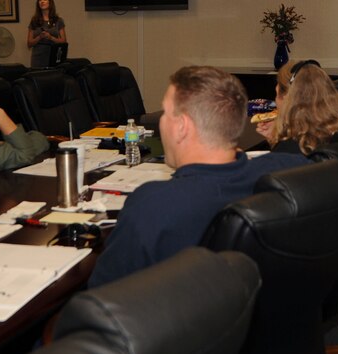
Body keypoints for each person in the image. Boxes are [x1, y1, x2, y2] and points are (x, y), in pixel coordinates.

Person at [88, 66, 309, 288]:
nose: (161, 122)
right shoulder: (291, 171)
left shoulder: (152, 205)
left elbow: (99, 302)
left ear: (182, 126)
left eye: (165, 113)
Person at [256, 59, 338, 154]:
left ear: (288, 100)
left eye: (277, 95)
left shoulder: (292, 148)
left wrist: (277, 142)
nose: (275, 101)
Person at [27, 0, 67, 68]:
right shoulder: (34, 20)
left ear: (50, 2)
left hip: (53, 55)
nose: (42, 2)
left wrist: (50, 37)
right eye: (40, 0)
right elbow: (29, 43)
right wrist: (39, 37)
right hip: (38, 57)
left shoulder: (58, 20)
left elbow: (63, 41)